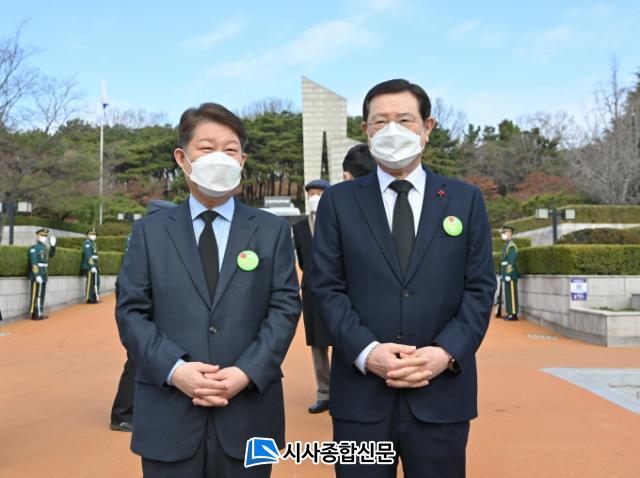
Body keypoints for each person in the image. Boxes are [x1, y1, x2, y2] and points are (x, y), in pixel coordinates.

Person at [310, 79, 497, 478]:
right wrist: (367, 352)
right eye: (380, 121)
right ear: (366, 131)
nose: (392, 130)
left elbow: (480, 288)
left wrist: (445, 353)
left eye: (405, 119)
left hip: (441, 393)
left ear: (427, 128)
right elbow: (325, 287)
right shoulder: (338, 202)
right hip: (361, 397)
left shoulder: (464, 199)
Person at [115, 102, 301, 477]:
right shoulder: (150, 232)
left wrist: (247, 371)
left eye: (230, 149)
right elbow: (131, 311)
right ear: (182, 158)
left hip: (249, 409)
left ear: (243, 160)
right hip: (169, 410)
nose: (220, 157)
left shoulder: (272, 230)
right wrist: (175, 370)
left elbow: (284, 308)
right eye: (207, 147)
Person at [110, 199, 178, 433]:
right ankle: (123, 414)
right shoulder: (148, 236)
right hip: (140, 302)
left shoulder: (148, 235)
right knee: (138, 359)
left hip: (144, 299)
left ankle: (136, 410)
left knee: (148, 357)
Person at [292, 179, 332, 414]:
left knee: (343, 341)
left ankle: (345, 392)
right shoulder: (299, 228)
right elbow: (302, 261)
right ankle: (324, 393)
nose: (315, 197)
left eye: (319, 193)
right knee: (317, 345)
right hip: (311, 293)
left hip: (338, 292)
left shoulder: (339, 222)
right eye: (311, 193)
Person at [27, 228, 57, 320]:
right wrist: (37, 275)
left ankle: (40, 312)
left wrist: (53, 246)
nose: (44, 237)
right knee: (35, 294)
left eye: (45, 236)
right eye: (42, 235)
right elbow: (34, 262)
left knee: (42, 294)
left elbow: (51, 255)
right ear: (37, 236)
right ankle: (34, 313)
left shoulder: (44, 248)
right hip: (37, 274)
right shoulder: (34, 248)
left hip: (44, 273)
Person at [499, 225, 519, 321]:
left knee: (512, 295)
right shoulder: (506, 245)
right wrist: (502, 274)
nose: (503, 234)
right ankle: (509, 312)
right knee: (508, 294)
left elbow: (511, 262)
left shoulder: (511, 246)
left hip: (511, 274)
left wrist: (507, 274)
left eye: (504, 232)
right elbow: (503, 261)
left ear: (510, 233)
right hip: (506, 274)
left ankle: (514, 314)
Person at [81, 228, 100, 304]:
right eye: (92, 234)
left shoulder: (93, 244)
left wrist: (96, 266)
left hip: (95, 265)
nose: (94, 235)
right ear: (87, 235)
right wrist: (92, 266)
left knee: (96, 282)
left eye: (94, 234)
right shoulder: (87, 243)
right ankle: (89, 298)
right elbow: (88, 256)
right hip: (89, 266)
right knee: (90, 282)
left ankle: (94, 297)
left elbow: (96, 256)